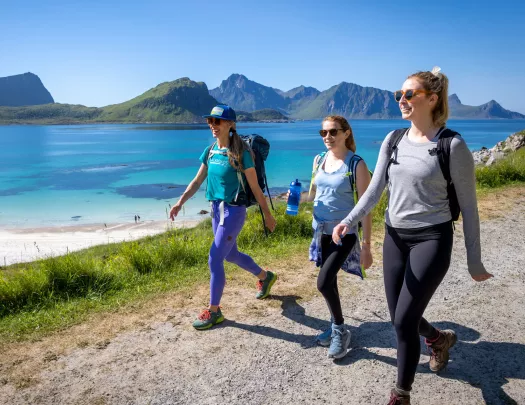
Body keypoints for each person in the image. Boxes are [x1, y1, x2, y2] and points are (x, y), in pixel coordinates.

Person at [331, 67, 493, 404]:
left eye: (409, 95)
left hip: (431, 239)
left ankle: (400, 395)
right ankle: (438, 339)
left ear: (432, 99)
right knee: (399, 315)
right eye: (398, 95)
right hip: (395, 237)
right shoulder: (393, 140)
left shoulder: (452, 145)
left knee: (403, 320)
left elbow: (470, 207)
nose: (401, 100)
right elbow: (374, 191)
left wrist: (474, 260)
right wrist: (348, 220)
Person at [169, 104, 277, 330]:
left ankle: (214, 311)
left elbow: (256, 188)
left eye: (217, 122)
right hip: (215, 210)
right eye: (210, 122)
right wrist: (180, 202)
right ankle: (264, 276)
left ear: (230, 124)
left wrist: (267, 214)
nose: (212, 126)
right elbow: (197, 181)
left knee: (214, 258)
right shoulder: (210, 151)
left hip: (233, 211)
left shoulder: (242, 153)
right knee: (231, 255)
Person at [307, 115, 373, 359]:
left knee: (323, 283)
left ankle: (340, 330)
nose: (327, 137)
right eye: (323, 132)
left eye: (333, 132)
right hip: (321, 231)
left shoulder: (356, 164)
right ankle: (336, 325)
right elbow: (313, 194)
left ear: (346, 133)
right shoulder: (318, 160)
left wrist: (366, 245)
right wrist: (294, 197)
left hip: (344, 234)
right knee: (330, 281)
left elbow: (365, 207)